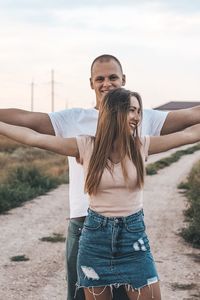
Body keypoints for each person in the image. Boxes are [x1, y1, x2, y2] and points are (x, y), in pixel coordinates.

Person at [0, 55, 200, 300]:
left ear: (123, 80)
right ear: (93, 84)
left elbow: (191, 126)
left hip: (132, 232)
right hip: (88, 229)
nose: (107, 83)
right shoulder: (81, 135)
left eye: (113, 77)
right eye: (100, 78)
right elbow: (31, 131)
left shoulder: (142, 136)